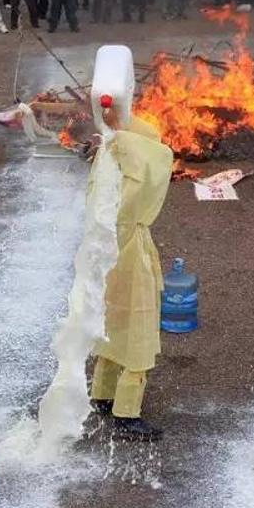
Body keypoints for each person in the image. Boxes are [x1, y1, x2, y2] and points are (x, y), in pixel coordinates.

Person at [88, 97, 174, 441]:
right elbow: (148, 175)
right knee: (137, 336)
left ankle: (102, 396)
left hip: (103, 258)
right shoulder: (134, 202)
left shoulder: (105, 178)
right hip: (131, 263)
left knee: (111, 331)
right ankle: (127, 414)